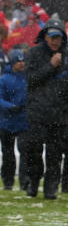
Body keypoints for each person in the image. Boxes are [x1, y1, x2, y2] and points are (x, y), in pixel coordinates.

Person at [23, 20, 68, 200]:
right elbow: (31, 80)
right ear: (45, 37)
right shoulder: (33, 54)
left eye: (59, 37)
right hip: (37, 112)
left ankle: (51, 188)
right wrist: (51, 66)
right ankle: (33, 182)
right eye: (52, 37)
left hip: (60, 114)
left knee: (55, 154)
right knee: (33, 152)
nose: (55, 41)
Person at [0, 49, 28, 191]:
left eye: (23, 60)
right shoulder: (4, 79)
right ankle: (8, 182)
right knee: (8, 154)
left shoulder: (28, 78)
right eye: (19, 61)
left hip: (23, 121)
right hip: (7, 122)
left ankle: (24, 182)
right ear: (13, 63)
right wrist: (11, 107)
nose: (22, 63)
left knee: (25, 152)